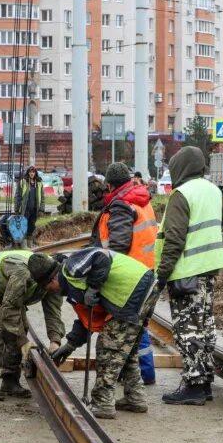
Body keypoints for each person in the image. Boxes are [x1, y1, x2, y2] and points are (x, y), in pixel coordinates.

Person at [30, 248, 160, 419]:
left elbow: (100, 256)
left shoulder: (70, 269)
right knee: (126, 352)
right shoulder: (73, 290)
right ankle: (135, 398)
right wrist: (70, 345)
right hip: (144, 288)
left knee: (108, 348)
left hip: (133, 290)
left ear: (53, 278)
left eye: (47, 286)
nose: (50, 291)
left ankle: (103, 403)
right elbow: (89, 320)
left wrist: (93, 288)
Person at [155, 146, 223, 405]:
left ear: (180, 167)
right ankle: (204, 380)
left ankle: (194, 386)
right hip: (209, 269)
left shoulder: (182, 194)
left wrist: (162, 274)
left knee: (188, 329)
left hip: (186, 272)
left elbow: (174, 239)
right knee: (206, 327)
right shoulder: (214, 191)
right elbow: (221, 223)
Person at [90, 162, 158, 385]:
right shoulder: (141, 200)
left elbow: (118, 246)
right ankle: (145, 374)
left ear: (109, 185)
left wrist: (101, 274)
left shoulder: (121, 205)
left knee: (124, 328)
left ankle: (137, 375)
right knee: (138, 327)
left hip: (128, 277)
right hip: (146, 271)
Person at [0, 249, 65, 400]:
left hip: (11, 293)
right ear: (49, 281)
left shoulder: (56, 277)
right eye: (57, 286)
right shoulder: (22, 275)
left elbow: (53, 312)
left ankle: (10, 379)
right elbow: (9, 309)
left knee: (20, 330)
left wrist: (55, 340)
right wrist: (23, 341)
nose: (59, 290)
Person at [15, 166, 44, 246]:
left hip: (34, 209)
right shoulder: (23, 182)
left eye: (33, 172)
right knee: (24, 225)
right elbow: (18, 196)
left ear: (35, 173)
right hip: (25, 209)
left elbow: (42, 198)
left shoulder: (39, 183)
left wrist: (41, 209)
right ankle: (23, 244)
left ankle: (30, 244)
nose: (32, 174)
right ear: (28, 173)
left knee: (32, 226)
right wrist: (17, 209)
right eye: (30, 172)